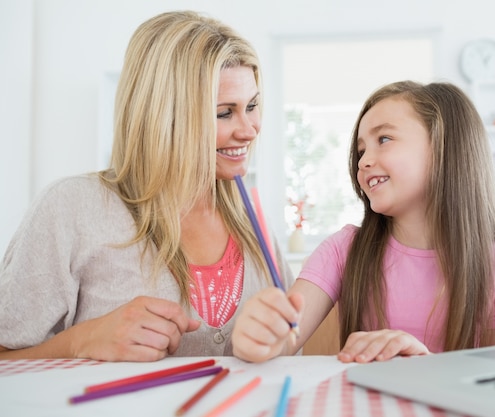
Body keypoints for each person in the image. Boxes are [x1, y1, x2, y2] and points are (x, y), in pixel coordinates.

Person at [0, 10, 293, 362]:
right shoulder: (72, 208)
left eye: (252, 106)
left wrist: (279, 340)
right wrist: (82, 341)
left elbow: (290, 341)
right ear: (166, 115)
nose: (249, 130)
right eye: (224, 112)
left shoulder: (252, 219)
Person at [232, 80, 495, 363]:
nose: (362, 160)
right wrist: (259, 337)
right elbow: (284, 339)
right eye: (361, 149)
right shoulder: (342, 250)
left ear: (444, 147)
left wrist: (424, 367)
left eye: (384, 139)